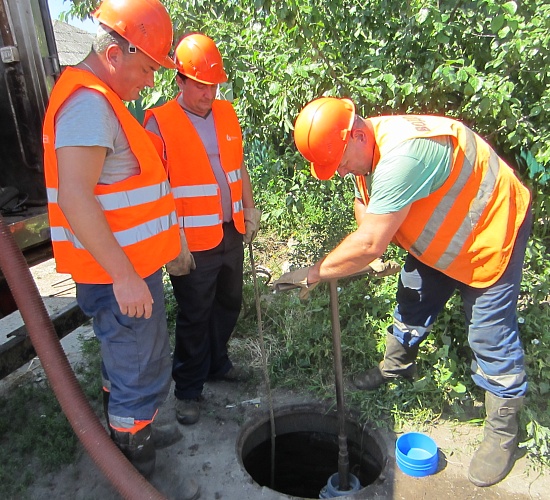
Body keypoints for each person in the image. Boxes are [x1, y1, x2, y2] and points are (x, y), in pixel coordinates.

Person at [284, 97, 531, 488]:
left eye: (342, 162)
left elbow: (368, 244)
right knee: (412, 298)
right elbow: (365, 202)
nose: (343, 170)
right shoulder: (365, 144)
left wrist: (315, 273)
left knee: (490, 334)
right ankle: (396, 367)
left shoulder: (404, 156)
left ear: (357, 135)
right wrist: (374, 231)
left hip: (488, 233)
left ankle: (502, 431)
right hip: (442, 239)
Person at [42, 1, 200, 496]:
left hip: (128, 270)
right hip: (118, 277)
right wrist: (126, 276)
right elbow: (75, 196)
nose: (151, 81)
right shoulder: (88, 105)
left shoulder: (104, 102)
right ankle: (138, 477)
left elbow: (136, 196)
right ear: (114, 53)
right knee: (137, 368)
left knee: (132, 361)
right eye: (148, 68)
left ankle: (133, 437)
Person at [144, 33, 260, 426]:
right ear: (179, 79)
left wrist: (250, 204)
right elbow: (155, 190)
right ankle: (189, 390)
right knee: (195, 314)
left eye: (214, 85)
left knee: (229, 303)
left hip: (230, 231)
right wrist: (170, 241)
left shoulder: (227, 114)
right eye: (201, 85)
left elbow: (238, 167)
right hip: (190, 242)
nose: (209, 93)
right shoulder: (159, 122)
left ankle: (216, 363)